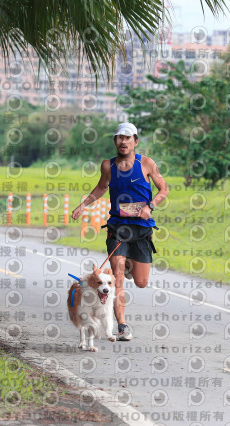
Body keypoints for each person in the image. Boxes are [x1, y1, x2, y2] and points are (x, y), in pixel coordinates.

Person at [71, 122, 169, 341]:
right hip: (117, 227)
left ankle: (125, 267)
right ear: (115, 141)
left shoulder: (146, 163)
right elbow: (101, 187)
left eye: (127, 138)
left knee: (141, 282)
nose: (123, 142)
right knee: (117, 277)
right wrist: (83, 205)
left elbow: (164, 189)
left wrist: (150, 206)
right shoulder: (108, 166)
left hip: (142, 230)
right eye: (119, 138)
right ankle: (122, 326)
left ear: (135, 141)